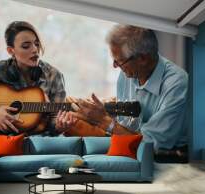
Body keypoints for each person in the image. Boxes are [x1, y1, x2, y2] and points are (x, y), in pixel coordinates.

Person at [73, 25, 188, 162]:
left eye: (120, 61)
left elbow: (149, 145)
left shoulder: (177, 83)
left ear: (143, 59)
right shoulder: (126, 75)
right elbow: (124, 126)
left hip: (169, 159)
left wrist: (103, 121)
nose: (115, 66)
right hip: (131, 151)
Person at [0, 21, 76, 136]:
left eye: (36, 44)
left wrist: (60, 126)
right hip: (1, 139)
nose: (35, 50)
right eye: (26, 46)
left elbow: (54, 124)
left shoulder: (53, 75)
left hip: (39, 141)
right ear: (11, 51)